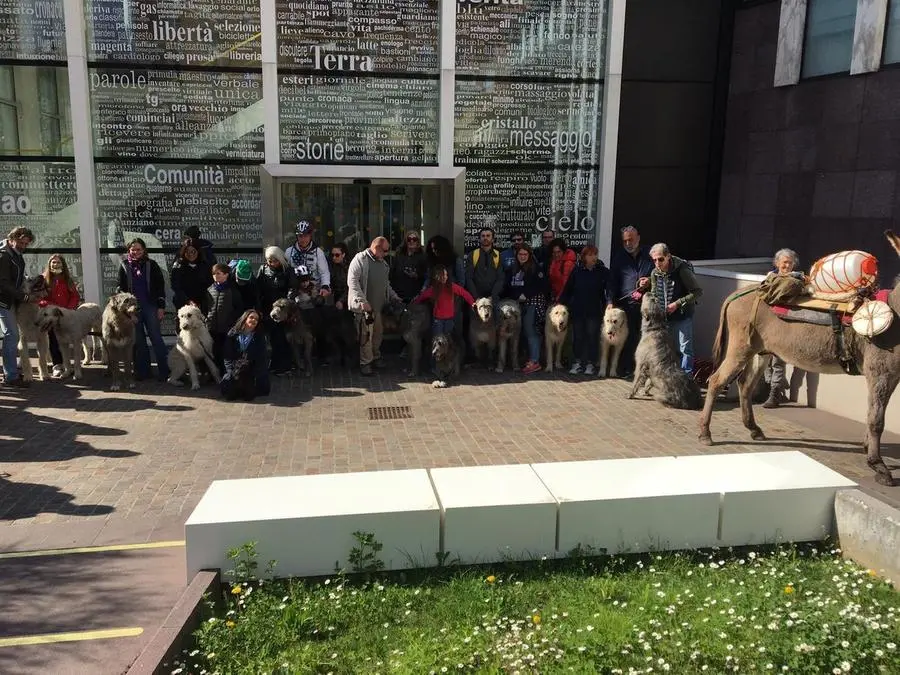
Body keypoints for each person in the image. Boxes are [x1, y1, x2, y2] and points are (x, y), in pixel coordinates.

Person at [347, 236, 403, 376]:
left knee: (377, 335)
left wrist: (394, 297)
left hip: (378, 308)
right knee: (366, 337)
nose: (386, 253)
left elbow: (386, 285)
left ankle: (375, 357)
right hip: (365, 309)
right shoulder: (360, 260)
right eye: (384, 250)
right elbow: (352, 282)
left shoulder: (383, 264)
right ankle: (366, 363)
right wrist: (362, 302)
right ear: (376, 247)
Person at [116, 237, 170, 382]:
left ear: (144, 250)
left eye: (139, 249)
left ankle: (165, 371)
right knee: (138, 341)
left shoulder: (151, 265)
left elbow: (160, 287)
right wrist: (125, 311)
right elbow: (120, 288)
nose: (136, 252)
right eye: (133, 249)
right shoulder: (124, 265)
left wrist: (161, 307)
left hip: (150, 306)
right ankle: (143, 372)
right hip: (132, 309)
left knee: (156, 338)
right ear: (129, 250)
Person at [648, 242, 703, 376]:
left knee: (685, 348)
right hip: (664, 317)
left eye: (660, 259)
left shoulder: (682, 269)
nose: (657, 263)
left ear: (668, 256)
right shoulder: (655, 273)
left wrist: (677, 304)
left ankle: (686, 379)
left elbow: (697, 292)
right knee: (668, 348)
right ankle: (671, 378)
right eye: (654, 260)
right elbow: (654, 292)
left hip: (682, 315)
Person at [607, 226, 654, 377]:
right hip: (627, 305)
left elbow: (661, 274)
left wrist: (650, 281)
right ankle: (628, 368)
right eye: (625, 240)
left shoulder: (651, 255)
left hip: (648, 306)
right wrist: (610, 301)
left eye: (631, 239)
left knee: (646, 337)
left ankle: (644, 370)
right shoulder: (619, 257)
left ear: (638, 238)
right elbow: (612, 281)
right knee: (628, 338)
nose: (628, 243)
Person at [763, 248, 806, 409]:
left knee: (778, 361)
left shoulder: (797, 279)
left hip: (784, 325)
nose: (787, 265)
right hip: (767, 324)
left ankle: (774, 394)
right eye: (784, 262)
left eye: (790, 262)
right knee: (766, 361)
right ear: (777, 263)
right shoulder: (770, 277)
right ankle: (775, 387)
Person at [560, 245, 609, 376]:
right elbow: (567, 289)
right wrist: (561, 303)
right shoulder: (577, 271)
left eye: (595, 254)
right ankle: (577, 362)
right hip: (578, 309)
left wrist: (609, 303)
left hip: (594, 310)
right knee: (578, 336)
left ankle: (590, 363)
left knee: (592, 337)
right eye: (590, 255)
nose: (593, 257)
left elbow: (609, 290)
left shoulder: (602, 271)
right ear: (584, 257)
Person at [504, 244, 548, 375]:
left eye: (525, 254)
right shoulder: (513, 269)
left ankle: (535, 361)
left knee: (531, 331)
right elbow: (509, 286)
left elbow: (542, 286)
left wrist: (526, 295)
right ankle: (526, 358)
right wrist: (516, 295)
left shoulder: (536, 269)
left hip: (533, 303)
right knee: (522, 332)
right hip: (518, 304)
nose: (522, 257)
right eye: (520, 254)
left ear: (529, 256)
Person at [0, 226, 35, 387]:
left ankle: (11, 373)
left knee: (11, 335)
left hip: (11, 300)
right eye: (21, 242)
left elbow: (19, 277)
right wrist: (24, 296)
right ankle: (11, 376)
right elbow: (4, 283)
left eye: (26, 244)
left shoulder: (17, 255)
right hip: (3, 300)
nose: (23, 246)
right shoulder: (4, 255)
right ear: (12, 239)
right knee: (12, 335)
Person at [256, 246, 297, 375]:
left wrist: (287, 302)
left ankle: (285, 365)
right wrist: (258, 307)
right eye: (269, 260)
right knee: (273, 338)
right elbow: (258, 290)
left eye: (274, 260)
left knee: (282, 338)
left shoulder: (288, 270)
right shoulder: (263, 270)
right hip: (268, 307)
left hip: (283, 309)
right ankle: (275, 363)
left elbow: (292, 287)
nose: (272, 263)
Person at [40, 254, 81, 378]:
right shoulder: (43, 279)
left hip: (66, 316)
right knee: (53, 338)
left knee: (68, 339)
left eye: (58, 263)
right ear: (49, 264)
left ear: (62, 265)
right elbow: (39, 298)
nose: (55, 265)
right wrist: (50, 306)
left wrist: (68, 309)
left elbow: (75, 296)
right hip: (50, 315)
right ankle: (57, 365)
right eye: (53, 262)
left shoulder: (67, 279)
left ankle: (68, 365)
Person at [412, 264, 475, 337]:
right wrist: (414, 304)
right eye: (444, 275)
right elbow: (422, 296)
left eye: (447, 275)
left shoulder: (452, 286)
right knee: (437, 338)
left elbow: (464, 293)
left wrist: (472, 303)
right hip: (438, 320)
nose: (446, 277)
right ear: (437, 276)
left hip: (449, 319)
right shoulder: (433, 290)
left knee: (447, 339)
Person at [220, 309, 270, 401]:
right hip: (235, 368)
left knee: (258, 389)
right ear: (245, 318)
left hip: (251, 368)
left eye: (256, 319)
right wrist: (230, 371)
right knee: (226, 388)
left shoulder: (259, 336)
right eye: (251, 317)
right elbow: (227, 355)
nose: (254, 320)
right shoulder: (232, 333)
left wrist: (255, 373)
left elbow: (262, 357)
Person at [207, 263, 244, 371]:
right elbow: (206, 307)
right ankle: (213, 372)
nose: (216, 276)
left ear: (226, 275)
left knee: (226, 352)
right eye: (214, 273)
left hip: (226, 328)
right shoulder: (209, 290)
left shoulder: (232, 290)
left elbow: (239, 308)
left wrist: (231, 321)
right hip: (211, 327)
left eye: (219, 273)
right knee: (213, 351)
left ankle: (226, 373)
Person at [285, 219, 331, 298]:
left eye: (306, 236)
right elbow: (286, 271)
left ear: (310, 236)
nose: (303, 239)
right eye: (300, 236)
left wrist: (325, 286)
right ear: (297, 236)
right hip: (296, 292)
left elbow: (324, 272)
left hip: (314, 290)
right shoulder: (289, 252)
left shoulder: (318, 252)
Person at [465, 227, 505, 305]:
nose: (485, 238)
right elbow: (468, 278)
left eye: (488, 236)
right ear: (480, 239)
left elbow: (501, 278)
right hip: (476, 299)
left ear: (493, 239)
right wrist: (476, 297)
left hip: (493, 298)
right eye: (483, 236)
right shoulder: (473, 255)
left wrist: (492, 296)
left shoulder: (498, 255)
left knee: (494, 316)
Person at [171, 238, 211, 315]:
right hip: (183, 304)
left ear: (198, 251)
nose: (190, 254)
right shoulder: (178, 266)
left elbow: (209, 285)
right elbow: (176, 287)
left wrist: (203, 302)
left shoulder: (205, 265)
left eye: (193, 251)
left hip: (202, 305)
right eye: (187, 252)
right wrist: (188, 301)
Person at [390, 231, 427, 304]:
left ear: (418, 241)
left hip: (415, 294)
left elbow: (426, 275)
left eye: (414, 239)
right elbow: (392, 272)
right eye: (409, 239)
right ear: (406, 241)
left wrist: (416, 275)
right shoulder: (399, 254)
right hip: (398, 293)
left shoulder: (422, 256)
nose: (412, 241)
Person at [547, 237, 576, 302]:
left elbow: (566, 284)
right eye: (554, 252)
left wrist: (559, 299)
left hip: (565, 299)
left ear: (564, 251)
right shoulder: (554, 261)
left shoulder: (568, 263)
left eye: (559, 252)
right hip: (557, 296)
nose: (556, 255)